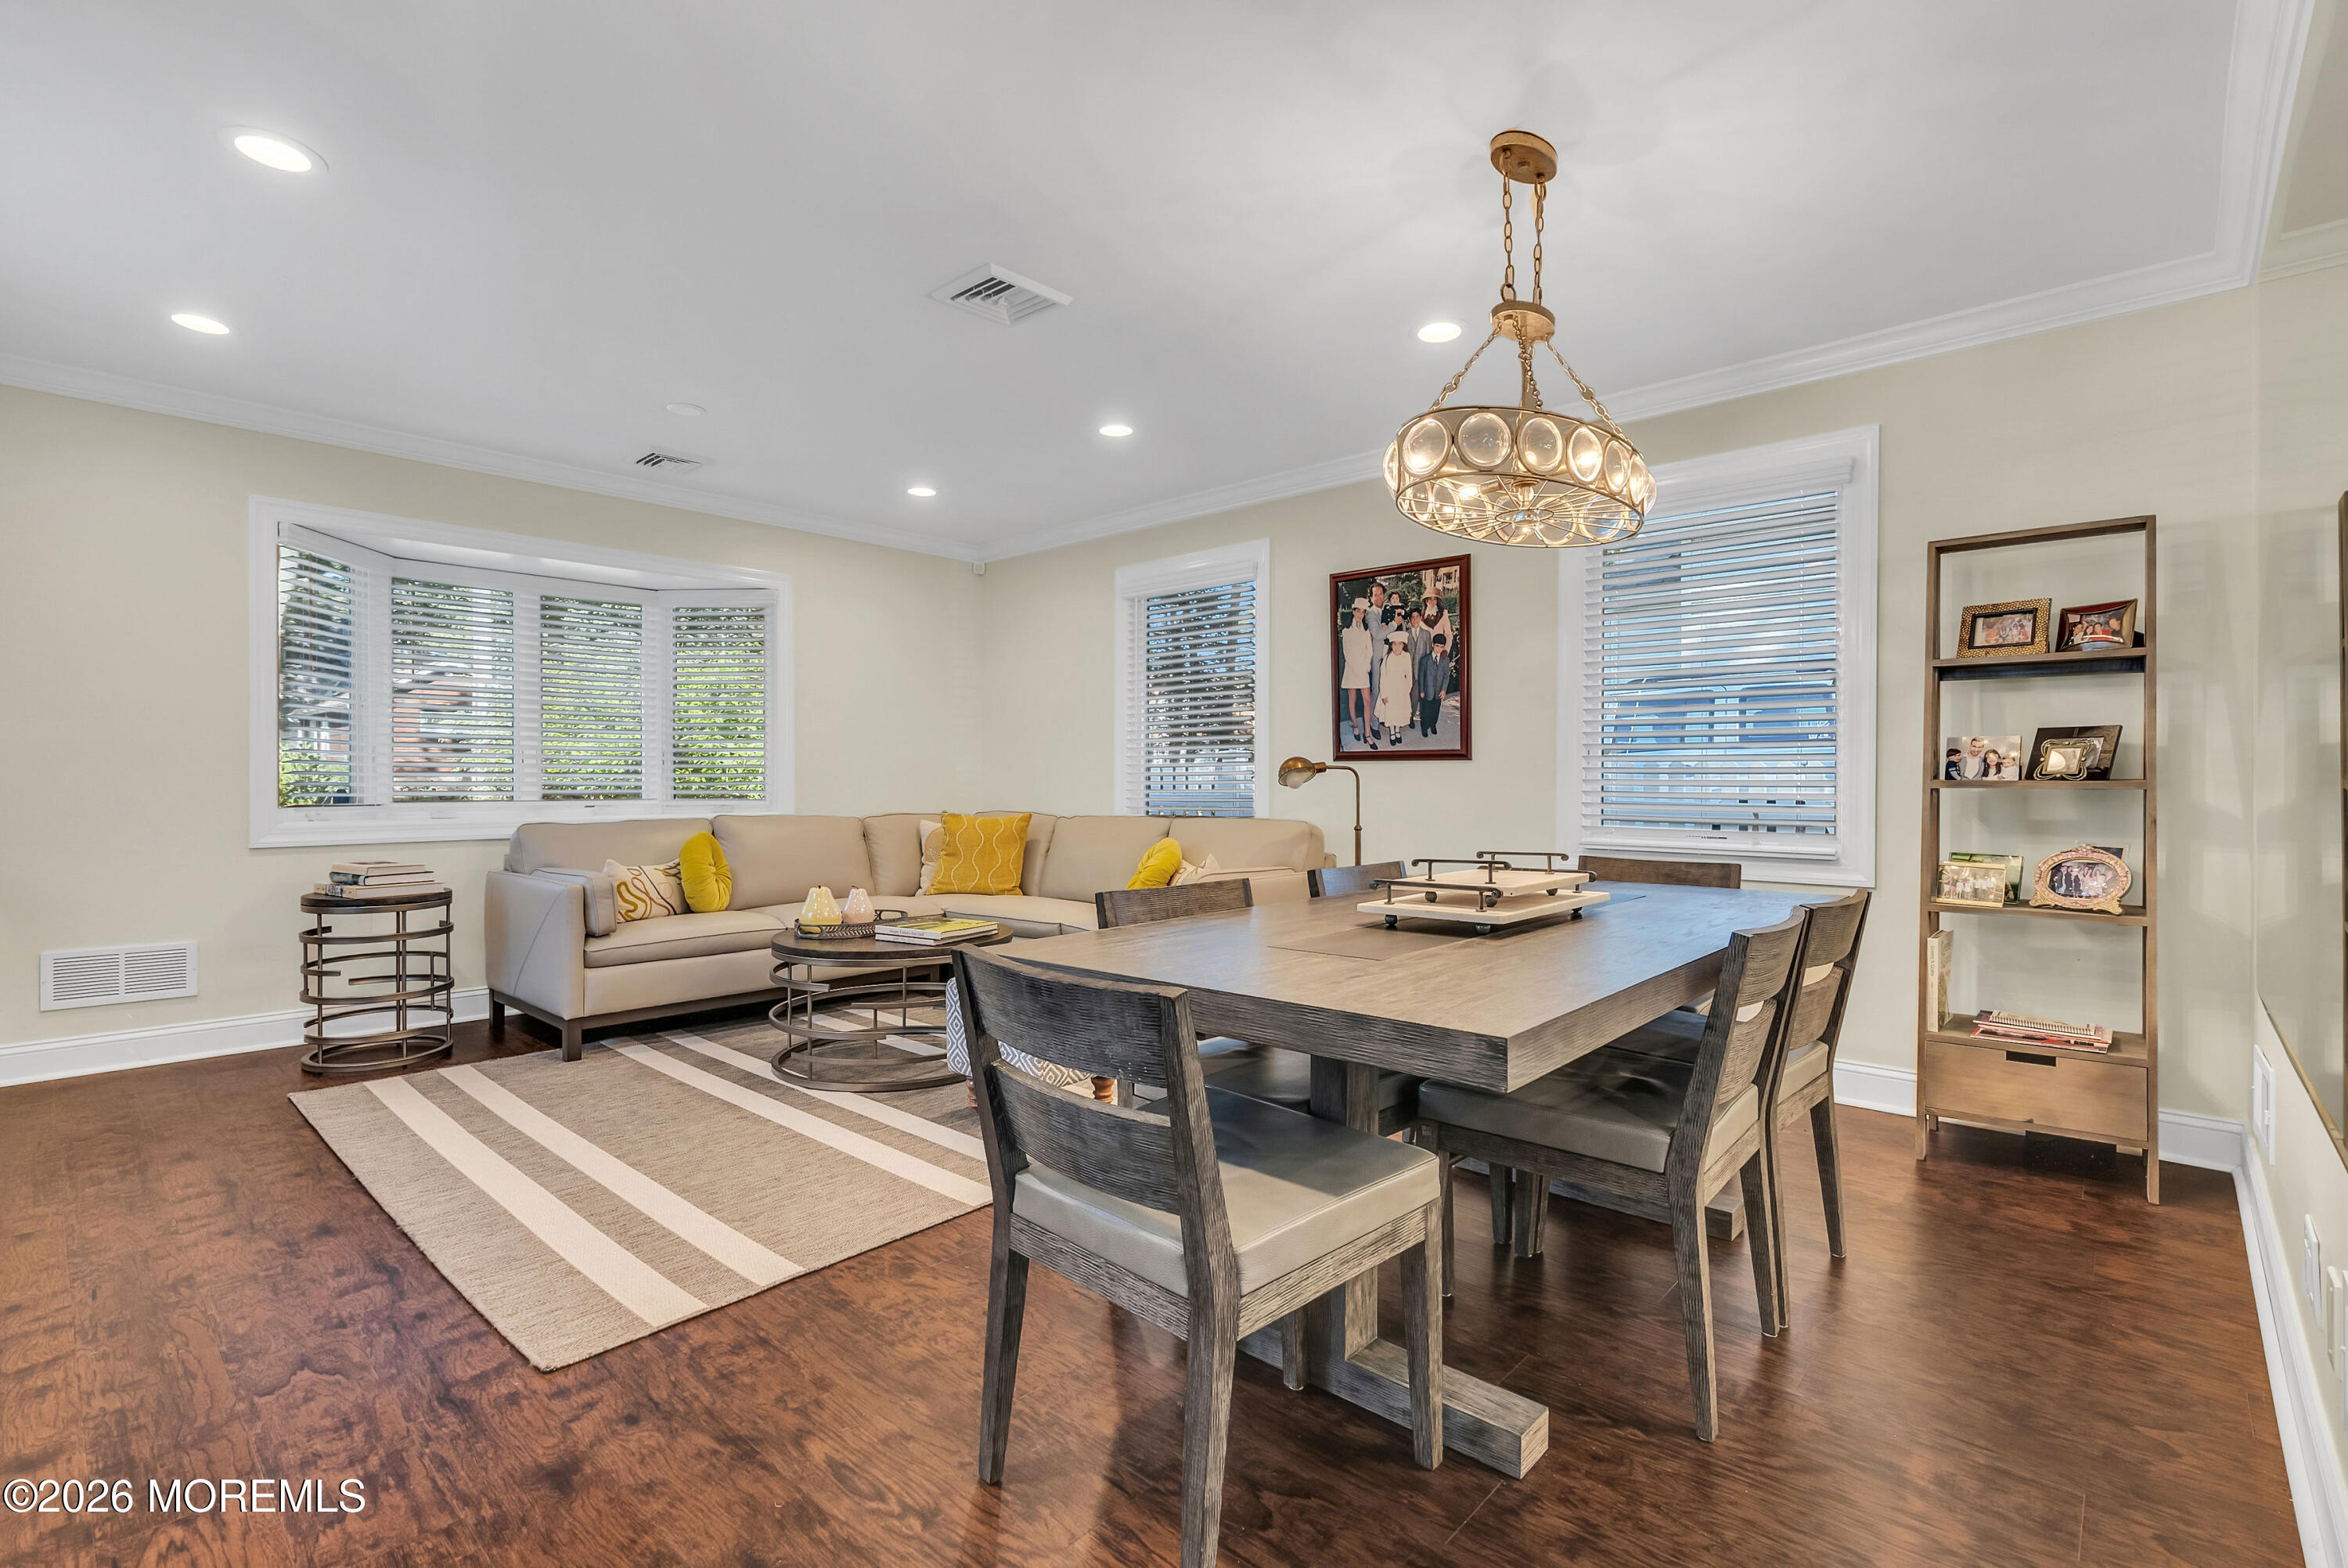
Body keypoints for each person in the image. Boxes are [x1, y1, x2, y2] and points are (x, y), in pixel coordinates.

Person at [1338, 599, 1373, 749]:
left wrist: (1367, 665)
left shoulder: (1365, 630)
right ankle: (1356, 726)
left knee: (1367, 700)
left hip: (1363, 670)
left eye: (1363, 612)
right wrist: (1357, 670)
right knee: (1352, 699)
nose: (1360, 614)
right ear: (1353, 611)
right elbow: (1348, 653)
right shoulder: (1347, 631)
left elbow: (1369, 649)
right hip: (1352, 671)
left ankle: (1368, 734)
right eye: (1358, 611)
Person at [1374, 631, 1414, 746]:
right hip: (1390, 690)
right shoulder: (1387, 658)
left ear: (1403, 645)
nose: (1397, 647)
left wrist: (1408, 689)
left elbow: (1409, 674)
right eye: (1395, 644)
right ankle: (1392, 731)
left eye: (1400, 644)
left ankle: (1397, 730)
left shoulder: (1406, 656)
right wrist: (1384, 694)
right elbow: (1383, 678)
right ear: (1391, 645)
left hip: (1402, 690)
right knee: (1391, 712)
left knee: (1399, 712)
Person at [1405, 606, 1433, 736]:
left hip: (1421, 671)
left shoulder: (1426, 634)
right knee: (1409, 695)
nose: (1415, 619)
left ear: (1420, 618)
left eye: (1417, 616)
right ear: (1410, 620)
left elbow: (1428, 653)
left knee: (1418, 696)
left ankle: (1415, 717)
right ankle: (1408, 716)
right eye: (1413, 617)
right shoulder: (1406, 633)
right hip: (1408, 670)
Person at [1417, 631, 1450, 739]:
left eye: (1441, 647)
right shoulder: (1425, 660)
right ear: (1432, 644)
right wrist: (1421, 690)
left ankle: (1433, 724)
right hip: (1427, 690)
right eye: (1437, 646)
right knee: (1426, 710)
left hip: (1438, 691)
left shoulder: (1445, 660)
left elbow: (1446, 676)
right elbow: (1421, 676)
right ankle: (1424, 727)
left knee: (1436, 709)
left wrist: (1444, 690)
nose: (1439, 649)